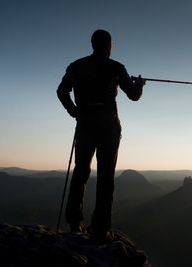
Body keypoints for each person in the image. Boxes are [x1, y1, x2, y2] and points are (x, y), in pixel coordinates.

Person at [57, 29, 144, 240]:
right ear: (109, 46)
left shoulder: (76, 66)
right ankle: (100, 228)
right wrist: (139, 85)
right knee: (106, 176)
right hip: (109, 127)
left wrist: (74, 110)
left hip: (85, 124)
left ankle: (74, 223)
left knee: (80, 172)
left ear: (92, 43)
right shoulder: (116, 68)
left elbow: (62, 91)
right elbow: (133, 96)